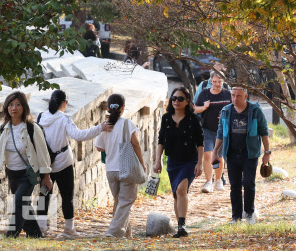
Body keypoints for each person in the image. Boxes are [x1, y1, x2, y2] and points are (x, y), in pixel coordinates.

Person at [36, 90, 114, 237]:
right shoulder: (65, 119)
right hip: (64, 163)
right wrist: (100, 128)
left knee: (44, 194)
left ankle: (41, 227)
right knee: (67, 196)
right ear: (64, 103)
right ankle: (69, 228)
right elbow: (79, 135)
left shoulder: (40, 117)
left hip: (45, 163)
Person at [0, 91, 52, 238]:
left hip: (28, 174)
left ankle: (11, 236)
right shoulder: (2, 128)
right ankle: (35, 235)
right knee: (24, 205)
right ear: (6, 108)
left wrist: (46, 176)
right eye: (10, 105)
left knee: (19, 202)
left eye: (18, 104)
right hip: (12, 173)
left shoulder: (32, 128)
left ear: (24, 107)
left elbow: (43, 153)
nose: (14, 108)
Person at [211, 87, 270, 224]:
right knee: (235, 186)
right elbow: (220, 133)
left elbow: (264, 132)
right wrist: (215, 152)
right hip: (231, 154)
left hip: (250, 154)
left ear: (245, 96)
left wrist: (267, 153)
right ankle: (236, 217)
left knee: (249, 183)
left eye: (238, 96)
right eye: (233, 95)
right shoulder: (226, 111)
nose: (235, 99)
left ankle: (249, 213)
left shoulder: (255, 111)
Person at [153, 87, 204, 238]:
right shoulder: (166, 118)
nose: (176, 101)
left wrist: (199, 163)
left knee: (182, 190)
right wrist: (158, 162)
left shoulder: (192, 119)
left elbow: (200, 143)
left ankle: (182, 224)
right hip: (173, 162)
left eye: (180, 99)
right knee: (176, 193)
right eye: (174, 98)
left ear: (187, 101)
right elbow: (161, 141)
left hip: (189, 160)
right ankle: (179, 227)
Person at [94, 94, 145, 238]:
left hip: (111, 168)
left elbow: (99, 147)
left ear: (108, 108)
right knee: (126, 201)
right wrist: (142, 163)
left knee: (119, 202)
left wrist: (111, 146)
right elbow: (135, 144)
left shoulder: (105, 125)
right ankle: (113, 232)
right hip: (126, 167)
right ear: (123, 107)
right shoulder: (127, 124)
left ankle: (127, 234)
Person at [194, 71, 231, 193]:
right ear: (211, 81)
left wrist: (227, 117)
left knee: (219, 157)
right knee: (208, 154)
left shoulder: (228, 94)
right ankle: (208, 182)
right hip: (207, 129)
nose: (216, 84)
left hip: (222, 131)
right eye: (214, 82)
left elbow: (236, 110)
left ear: (223, 82)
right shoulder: (204, 94)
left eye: (219, 81)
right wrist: (204, 107)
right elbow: (194, 109)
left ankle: (218, 180)